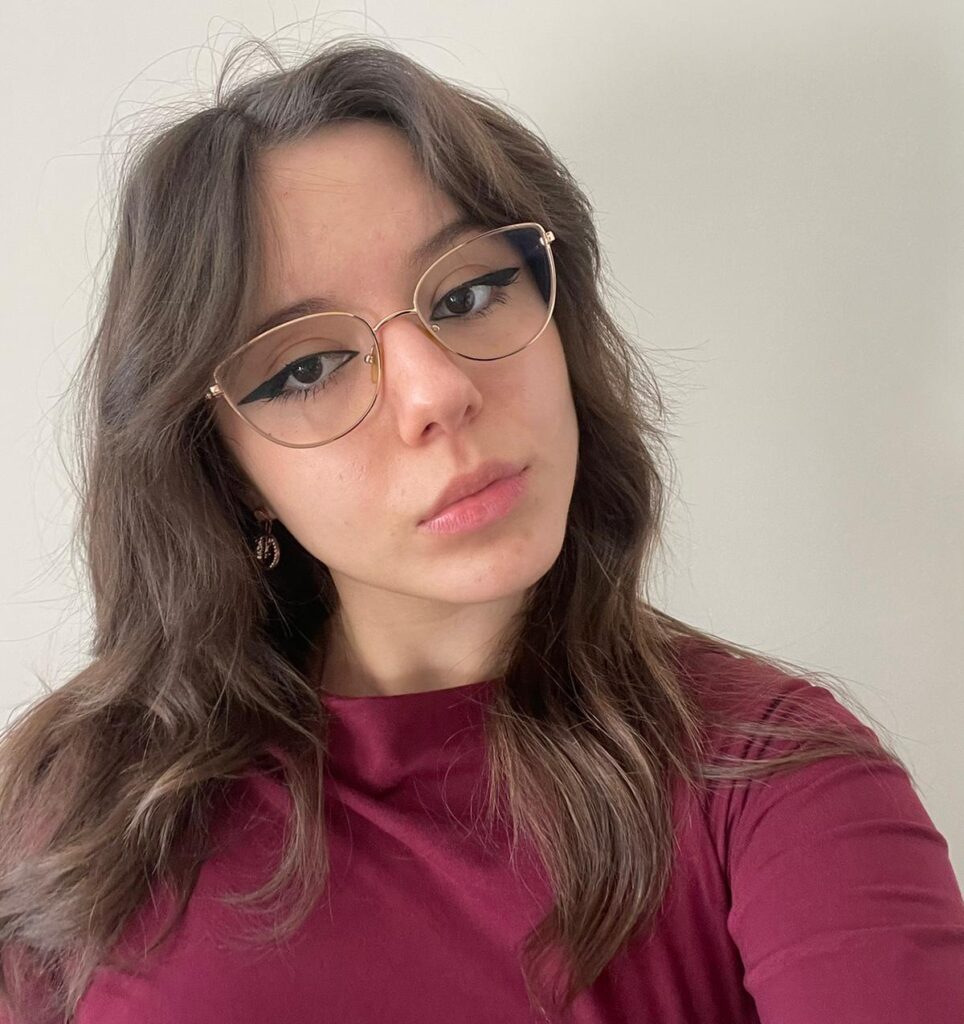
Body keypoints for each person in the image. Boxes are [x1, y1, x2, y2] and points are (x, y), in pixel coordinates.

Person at [0, 35, 961, 1024]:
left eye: (466, 296)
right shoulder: (78, 820)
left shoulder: (771, 782)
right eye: (307, 367)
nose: (438, 391)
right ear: (229, 470)